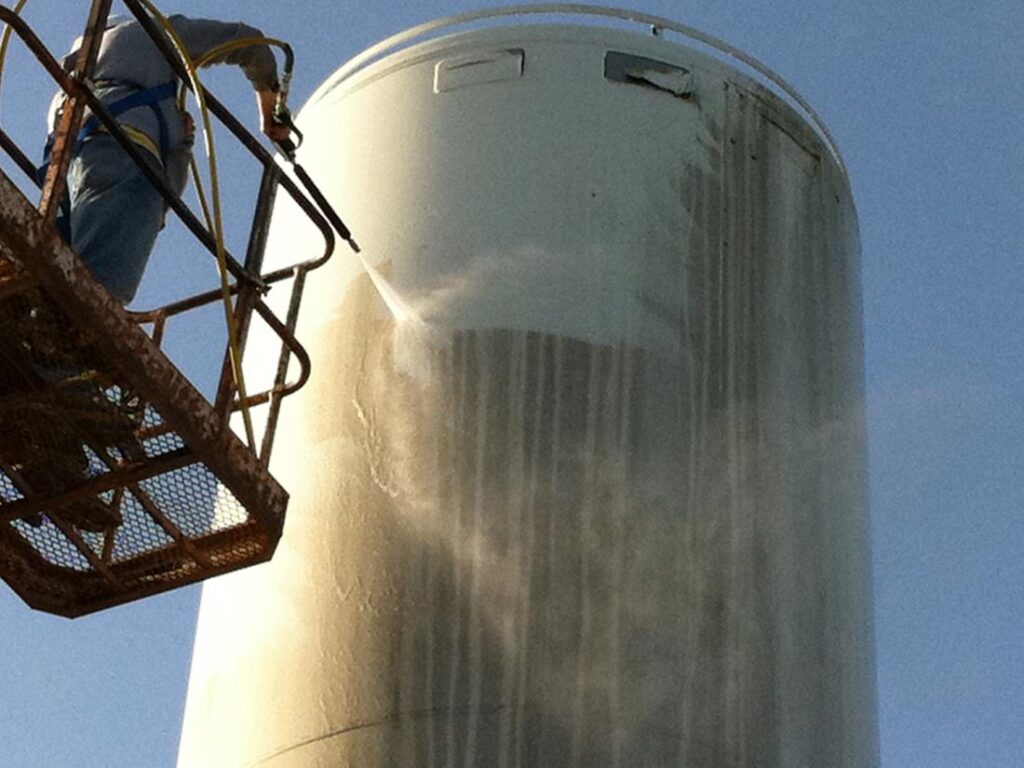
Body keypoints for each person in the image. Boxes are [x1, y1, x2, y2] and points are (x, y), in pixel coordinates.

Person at [47, 13, 291, 304]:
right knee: (101, 293)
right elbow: (250, 43)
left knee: (67, 274)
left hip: (77, 169)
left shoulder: (72, 79)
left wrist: (182, 143)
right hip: (130, 159)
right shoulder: (153, 33)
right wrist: (270, 106)